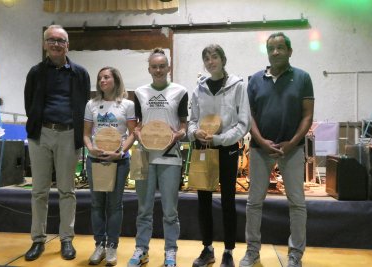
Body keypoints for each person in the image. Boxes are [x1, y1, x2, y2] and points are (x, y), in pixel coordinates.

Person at [239, 32, 314, 267]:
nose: (275, 52)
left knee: (297, 203)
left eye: (280, 48)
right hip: (261, 150)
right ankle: (252, 252)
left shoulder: (303, 78)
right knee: (254, 203)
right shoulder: (254, 80)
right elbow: (249, 115)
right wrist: (260, 141)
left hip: (292, 150)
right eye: (271, 48)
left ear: (289, 51)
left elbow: (307, 115)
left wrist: (291, 143)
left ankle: (295, 255)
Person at [23, 25, 90, 261]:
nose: (56, 44)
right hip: (41, 135)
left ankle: (66, 239)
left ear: (67, 45)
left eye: (61, 40)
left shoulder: (80, 73)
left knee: (67, 190)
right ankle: (37, 240)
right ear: (45, 44)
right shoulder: (35, 72)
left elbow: (84, 106)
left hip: (68, 135)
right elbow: (29, 103)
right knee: (39, 191)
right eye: (51, 40)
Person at [188, 44, 251, 267]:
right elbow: (192, 120)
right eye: (206, 58)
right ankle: (207, 249)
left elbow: (243, 123)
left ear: (223, 59)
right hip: (204, 148)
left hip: (227, 148)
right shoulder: (198, 89)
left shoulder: (238, 86)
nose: (210, 61)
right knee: (203, 201)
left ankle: (228, 251)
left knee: (228, 201)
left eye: (214, 57)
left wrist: (220, 139)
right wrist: (194, 132)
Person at [127, 48, 188, 267]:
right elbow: (138, 123)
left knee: (170, 210)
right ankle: (141, 250)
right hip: (144, 155)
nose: (159, 70)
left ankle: (170, 252)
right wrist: (136, 132)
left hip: (170, 156)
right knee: (143, 208)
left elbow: (183, 124)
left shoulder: (180, 91)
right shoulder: (140, 93)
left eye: (162, 66)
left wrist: (180, 133)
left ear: (168, 68)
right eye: (155, 66)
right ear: (149, 69)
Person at [83, 66, 136, 266]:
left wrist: (120, 152)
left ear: (116, 80)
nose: (102, 80)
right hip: (95, 159)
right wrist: (91, 148)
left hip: (119, 161)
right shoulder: (91, 104)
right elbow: (86, 134)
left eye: (106, 77)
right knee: (97, 204)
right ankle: (99, 245)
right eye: (100, 78)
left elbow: (132, 133)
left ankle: (112, 246)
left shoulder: (127, 104)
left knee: (114, 205)